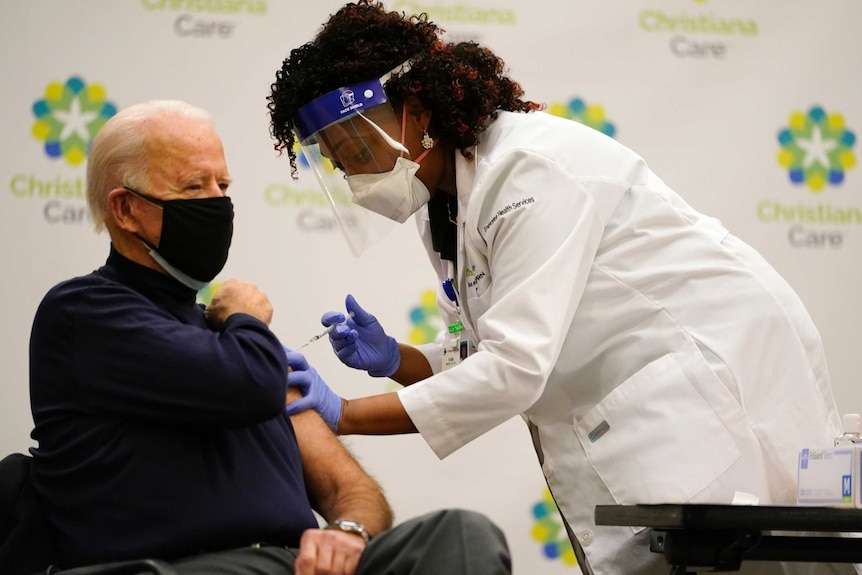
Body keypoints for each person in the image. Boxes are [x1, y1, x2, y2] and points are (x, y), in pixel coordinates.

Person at [267, 2, 854, 574]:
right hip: (641, 402)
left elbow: (516, 367)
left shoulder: (527, 169)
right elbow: (494, 350)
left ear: (417, 109)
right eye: (341, 164)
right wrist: (401, 360)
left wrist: (343, 414)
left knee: (751, 562)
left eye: (360, 150)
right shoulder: (446, 201)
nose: (357, 176)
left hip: (707, 382)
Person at [27, 99, 512, 575]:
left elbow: (351, 489)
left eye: (223, 184)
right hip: (184, 566)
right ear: (127, 210)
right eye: (194, 186)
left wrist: (346, 534)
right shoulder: (86, 313)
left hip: (295, 564)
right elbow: (247, 384)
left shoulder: (237, 344)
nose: (217, 202)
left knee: (462, 534)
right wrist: (248, 322)